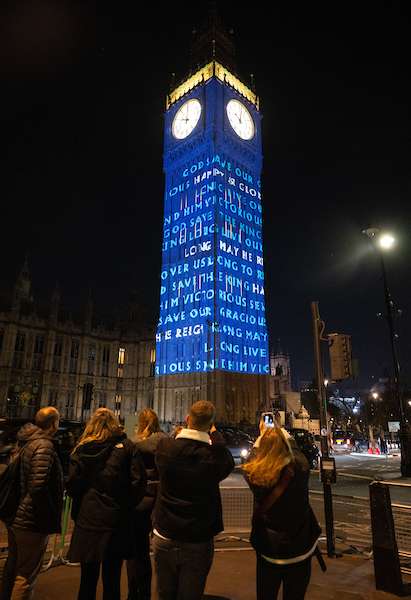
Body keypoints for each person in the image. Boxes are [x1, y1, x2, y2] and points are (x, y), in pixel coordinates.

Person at [152, 400, 234, 600]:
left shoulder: (164, 448)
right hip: (197, 540)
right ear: (210, 425)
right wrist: (214, 434)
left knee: (165, 594)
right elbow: (227, 459)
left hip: (165, 536)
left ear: (188, 419)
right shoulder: (212, 458)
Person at [66, 408, 146, 600]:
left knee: (87, 580)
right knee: (112, 579)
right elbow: (138, 483)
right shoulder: (127, 447)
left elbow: (72, 485)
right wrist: (125, 505)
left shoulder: (81, 449)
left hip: (88, 520)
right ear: (114, 424)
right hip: (116, 521)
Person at [243, 424, 321, 600]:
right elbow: (299, 456)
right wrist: (284, 435)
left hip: (268, 549)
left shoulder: (255, 476)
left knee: (266, 594)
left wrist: (261, 439)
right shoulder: (300, 470)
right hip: (299, 549)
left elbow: (249, 461)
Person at [0, 406, 64, 600]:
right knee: (25, 577)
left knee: (13, 567)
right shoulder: (44, 445)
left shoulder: (26, 441)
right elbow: (38, 487)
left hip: (17, 518)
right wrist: (46, 516)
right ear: (53, 424)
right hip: (30, 521)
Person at [126, 409, 167, 600]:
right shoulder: (167, 444)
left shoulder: (133, 445)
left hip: (140, 502)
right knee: (165, 551)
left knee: (137, 553)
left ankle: (138, 594)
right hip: (163, 502)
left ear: (141, 424)